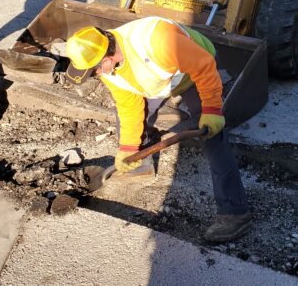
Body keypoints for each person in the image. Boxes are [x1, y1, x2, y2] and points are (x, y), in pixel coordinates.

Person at [65, 17, 251, 242]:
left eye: (94, 71)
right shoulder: (108, 67)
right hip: (158, 80)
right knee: (130, 119)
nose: (96, 76)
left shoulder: (156, 40)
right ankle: (139, 162)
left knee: (211, 134)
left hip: (195, 70)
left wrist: (212, 109)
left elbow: (203, 66)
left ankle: (236, 213)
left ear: (107, 57)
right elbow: (129, 104)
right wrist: (129, 147)